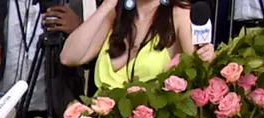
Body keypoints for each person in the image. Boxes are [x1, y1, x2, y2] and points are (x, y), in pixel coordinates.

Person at [62, 0, 195, 87]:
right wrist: (106, 6)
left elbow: (198, 72)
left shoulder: (179, 13)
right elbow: (69, 57)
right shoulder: (115, 13)